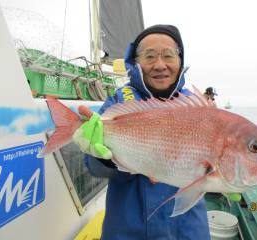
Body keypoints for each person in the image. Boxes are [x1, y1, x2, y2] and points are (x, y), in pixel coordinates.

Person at [73, 25, 211, 240]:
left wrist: (230, 178)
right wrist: (103, 157)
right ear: (136, 62)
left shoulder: (198, 110)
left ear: (180, 60)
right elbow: (94, 169)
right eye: (150, 57)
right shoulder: (119, 102)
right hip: (126, 229)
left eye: (168, 55)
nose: (159, 65)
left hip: (186, 230)